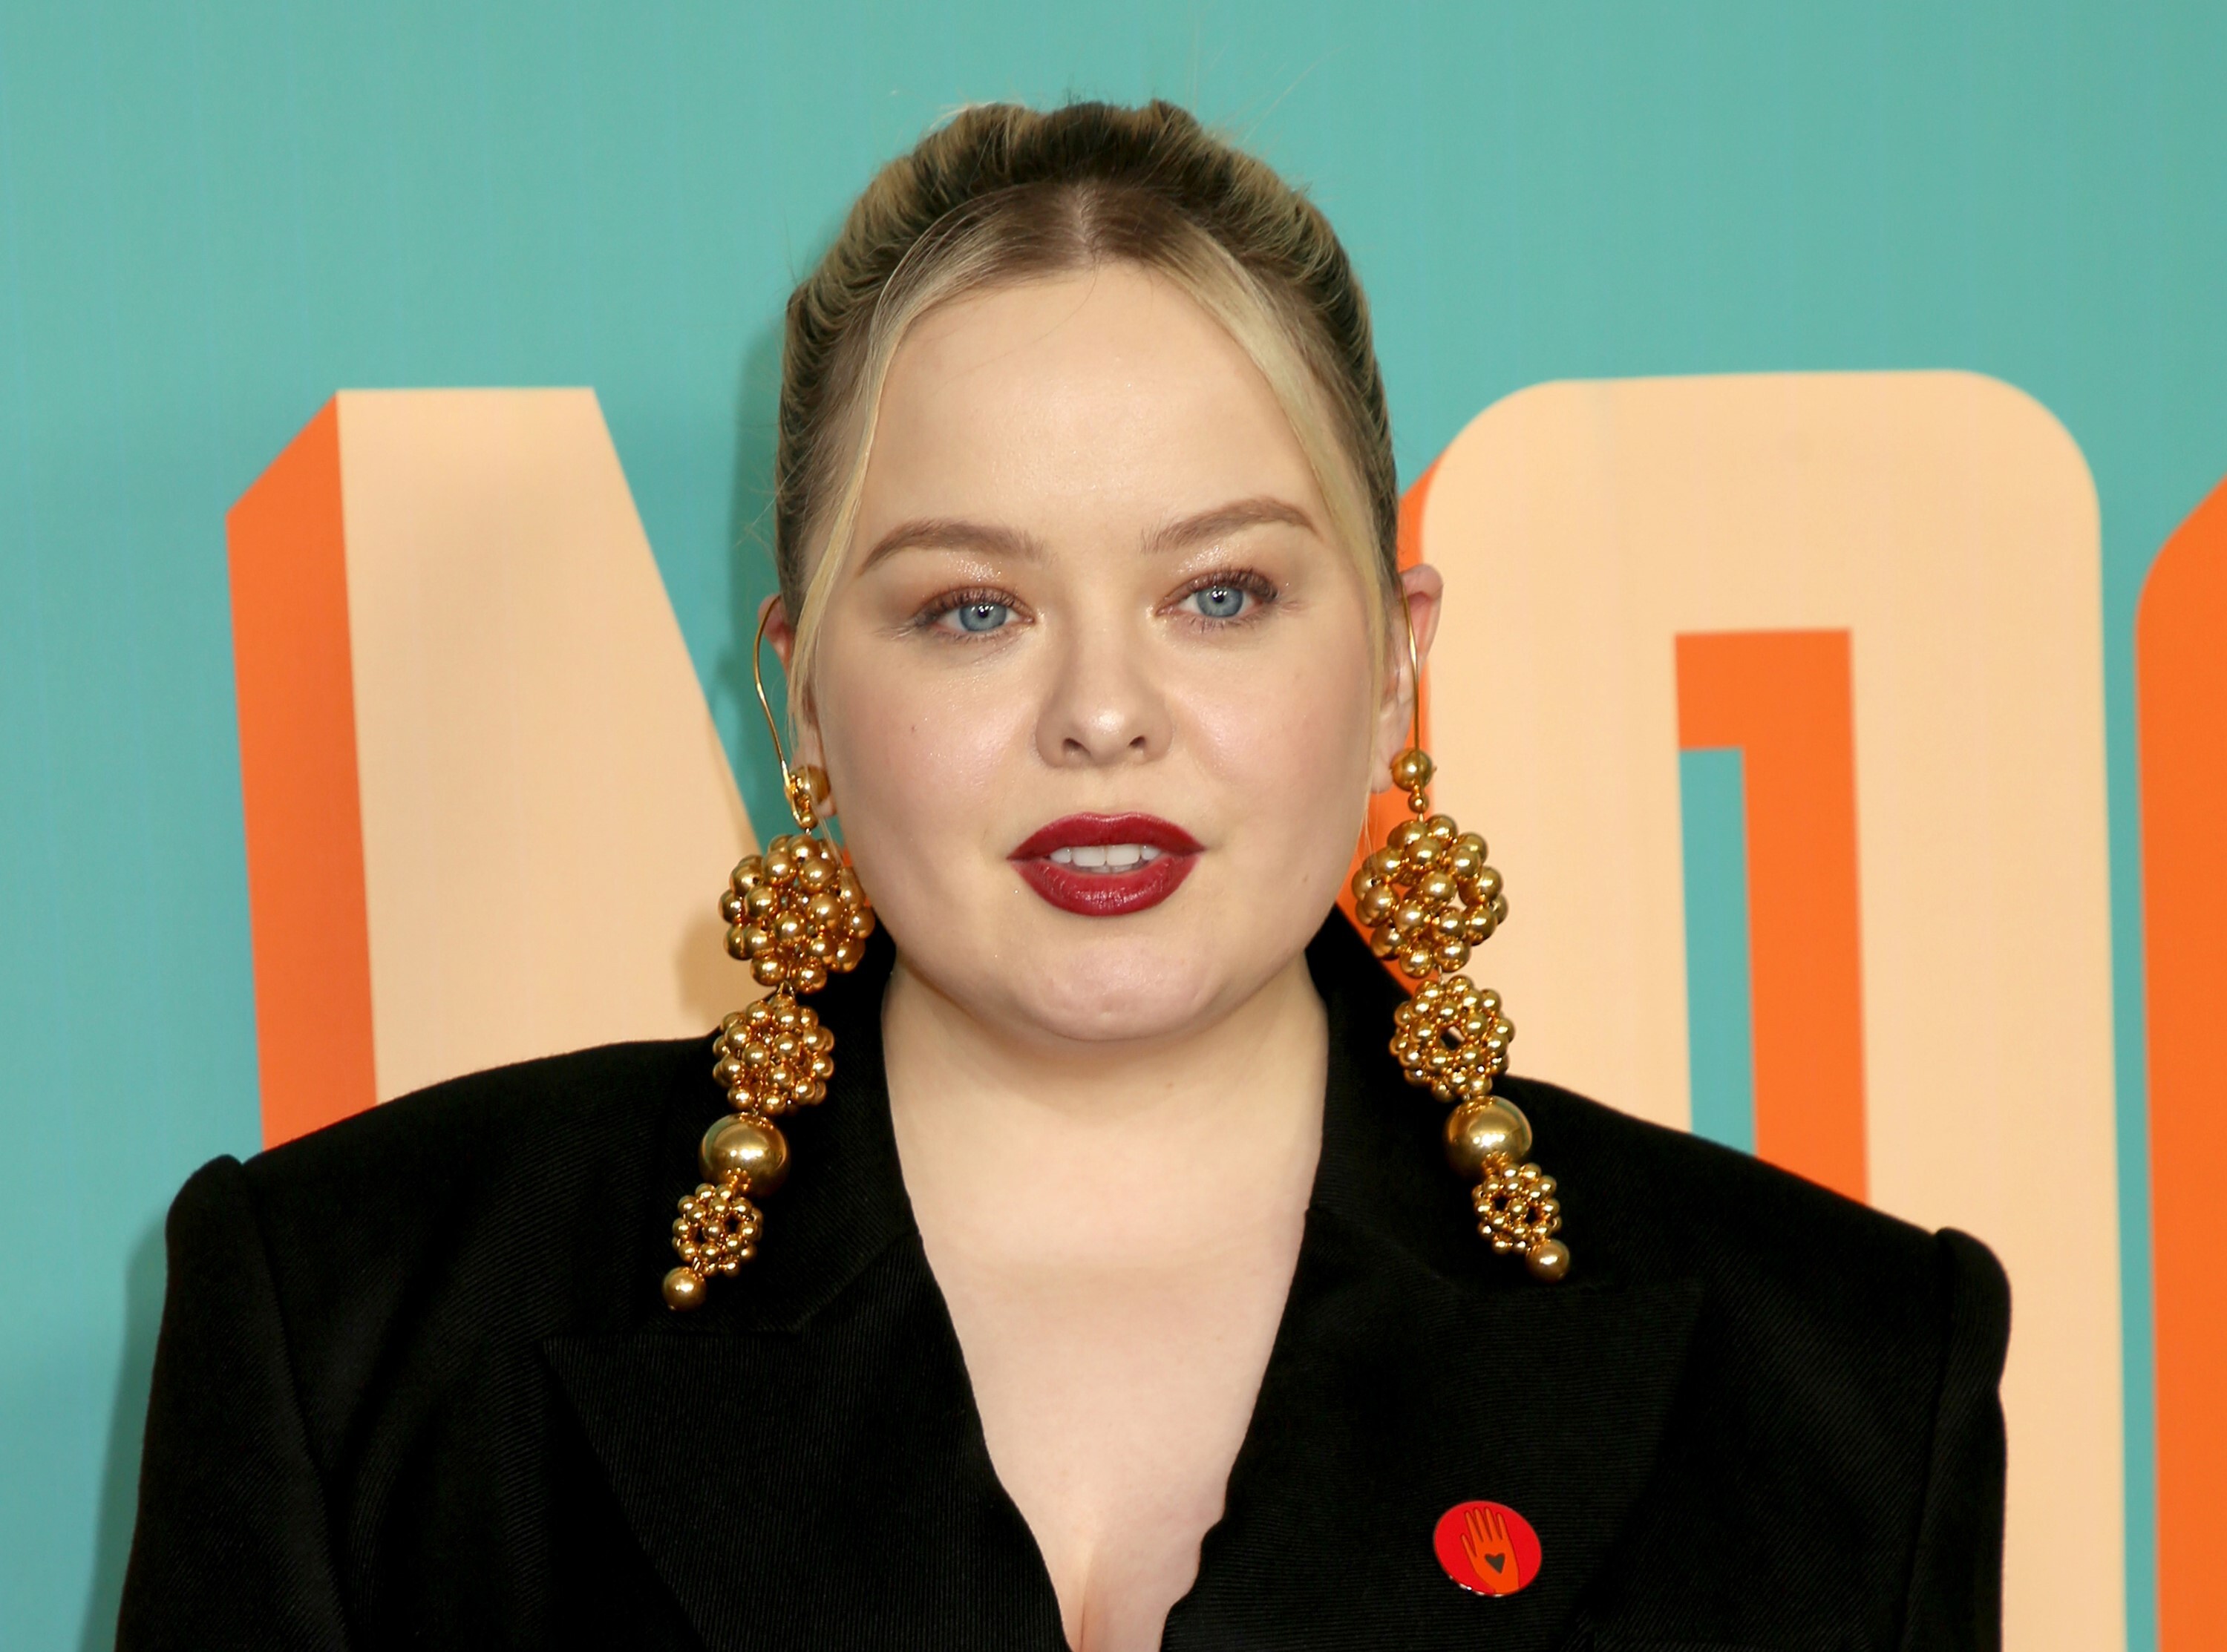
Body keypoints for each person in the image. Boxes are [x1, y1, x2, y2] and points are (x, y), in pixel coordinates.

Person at [119, 100, 2007, 1652]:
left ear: (1396, 666)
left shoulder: (1841, 1373)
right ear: (801, 694)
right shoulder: (358, 1331)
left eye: (1221, 593)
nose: (1103, 712)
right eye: (972, 608)